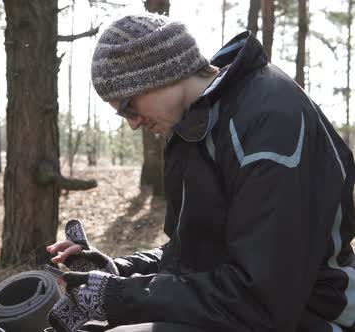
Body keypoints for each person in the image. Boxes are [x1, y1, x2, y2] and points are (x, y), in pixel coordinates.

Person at [45, 13, 355, 332]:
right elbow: (194, 257)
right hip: (245, 310)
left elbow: (262, 298)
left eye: (128, 105)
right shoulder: (202, 123)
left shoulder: (268, 121)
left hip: (312, 317)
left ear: (158, 72)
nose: (133, 122)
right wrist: (118, 272)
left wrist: (120, 297)